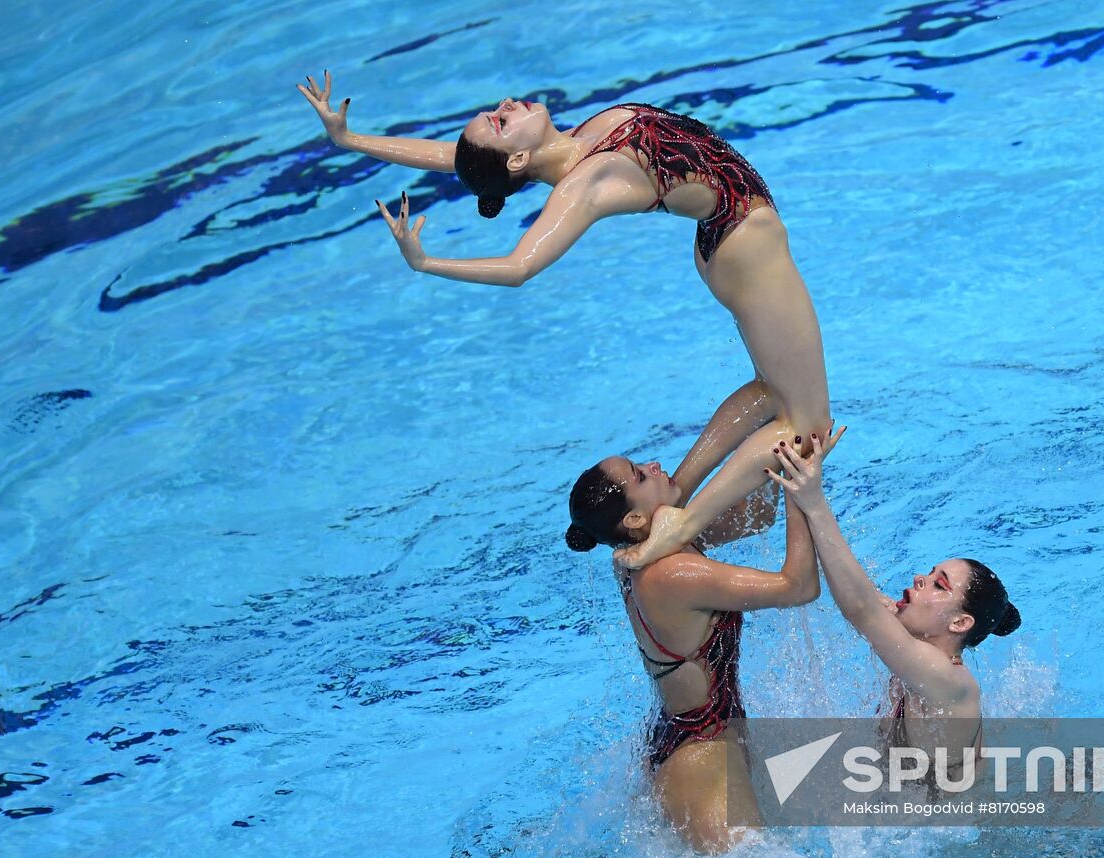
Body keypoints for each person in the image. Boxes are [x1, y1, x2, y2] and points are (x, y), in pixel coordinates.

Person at [297, 71, 831, 569]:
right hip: (744, 247)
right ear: (518, 157)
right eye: (500, 121)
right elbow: (518, 266)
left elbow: (457, 157)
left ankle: (678, 499)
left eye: (495, 112)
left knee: (768, 394)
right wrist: (426, 262)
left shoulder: (573, 141)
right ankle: (681, 526)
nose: (505, 105)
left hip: (729, 238)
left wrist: (350, 139)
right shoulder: (584, 182)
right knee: (806, 429)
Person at [565, 439, 821, 853]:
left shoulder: (645, 549)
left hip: (687, 734)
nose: (654, 464)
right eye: (640, 474)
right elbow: (799, 586)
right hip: (700, 755)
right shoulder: (671, 574)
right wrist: (801, 490)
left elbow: (757, 517)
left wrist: (782, 451)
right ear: (634, 518)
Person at [766, 428, 1021, 773]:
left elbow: (861, 609)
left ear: (960, 623)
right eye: (929, 572)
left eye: (938, 585)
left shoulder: (948, 680)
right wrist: (802, 483)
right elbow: (857, 588)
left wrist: (814, 501)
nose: (919, 578)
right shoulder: (920, 645)